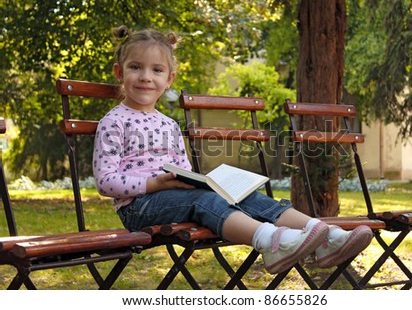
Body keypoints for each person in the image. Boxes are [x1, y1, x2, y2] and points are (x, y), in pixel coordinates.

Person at [93, 25, 373, 274]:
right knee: (203, 200)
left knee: (241, 193)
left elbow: (182, 169)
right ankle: (271, 242)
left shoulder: (169, 124)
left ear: (169, 79)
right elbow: (105, 182)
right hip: (139, 209)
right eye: (135, 67)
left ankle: (322, 235)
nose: (145, 77)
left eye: (156, 70)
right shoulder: (114, 121)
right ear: (120, 72)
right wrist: (154, 184)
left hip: (174, 199)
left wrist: (190, 181)